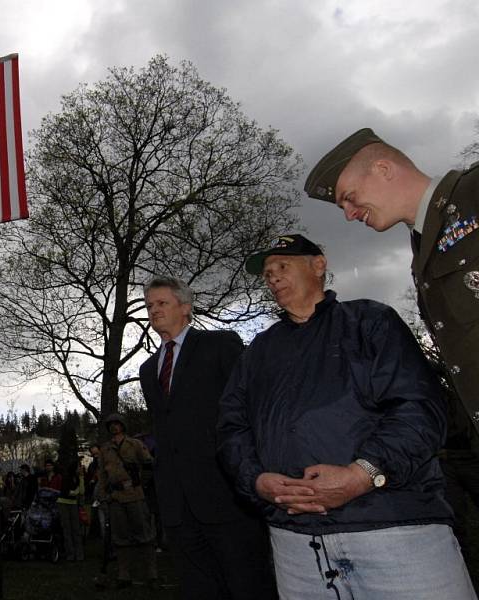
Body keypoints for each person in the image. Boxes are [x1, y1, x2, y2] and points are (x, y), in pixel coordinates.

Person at [217, 233, 476, 599]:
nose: (272, 276)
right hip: (296, 547)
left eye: (282, 265)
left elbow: (418, 409)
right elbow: (231, 428)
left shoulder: (370, 321)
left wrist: (362, 474)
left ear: (318, 265)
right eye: (267, 272)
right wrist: (256, 480)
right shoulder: (259, 350)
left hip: (393, 532)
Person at [304, 128, 479, 434]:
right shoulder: (422, 253)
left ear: (383, 169)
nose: (349, 214)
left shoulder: (473, 191)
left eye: (349, 197)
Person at [139, 275, 277, 599]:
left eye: (162, 303)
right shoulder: (148, 370)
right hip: (177, 507)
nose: (154, 311)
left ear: (185, 307)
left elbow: (248, 409)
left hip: (225, 497)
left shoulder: (220, 345)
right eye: (149, 306)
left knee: (247, 584)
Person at [97, 413, 158, 589]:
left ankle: (151, 575)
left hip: (135, 495)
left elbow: (149, 464)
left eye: (117, 424)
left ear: (123, 425)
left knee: (144, 535)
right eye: (111, 425)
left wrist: (141, 483)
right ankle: (124, 576)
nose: (114, 427)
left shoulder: (136, 444)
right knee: (120, 538)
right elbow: (102, 475)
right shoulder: (105, 449)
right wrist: (103, 496)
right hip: (115, 497)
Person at [56, 461, 84, 561]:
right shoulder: (66, 477)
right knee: (67, 529)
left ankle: (79, 554)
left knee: (76, 529)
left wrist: (81, 478)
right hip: (63, 503)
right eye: (79, 466)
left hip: (73, 504)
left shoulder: (77, 478)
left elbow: (81, 491)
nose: (81, 468)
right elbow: (68, 492)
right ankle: (70, 554)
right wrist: (76, 492)